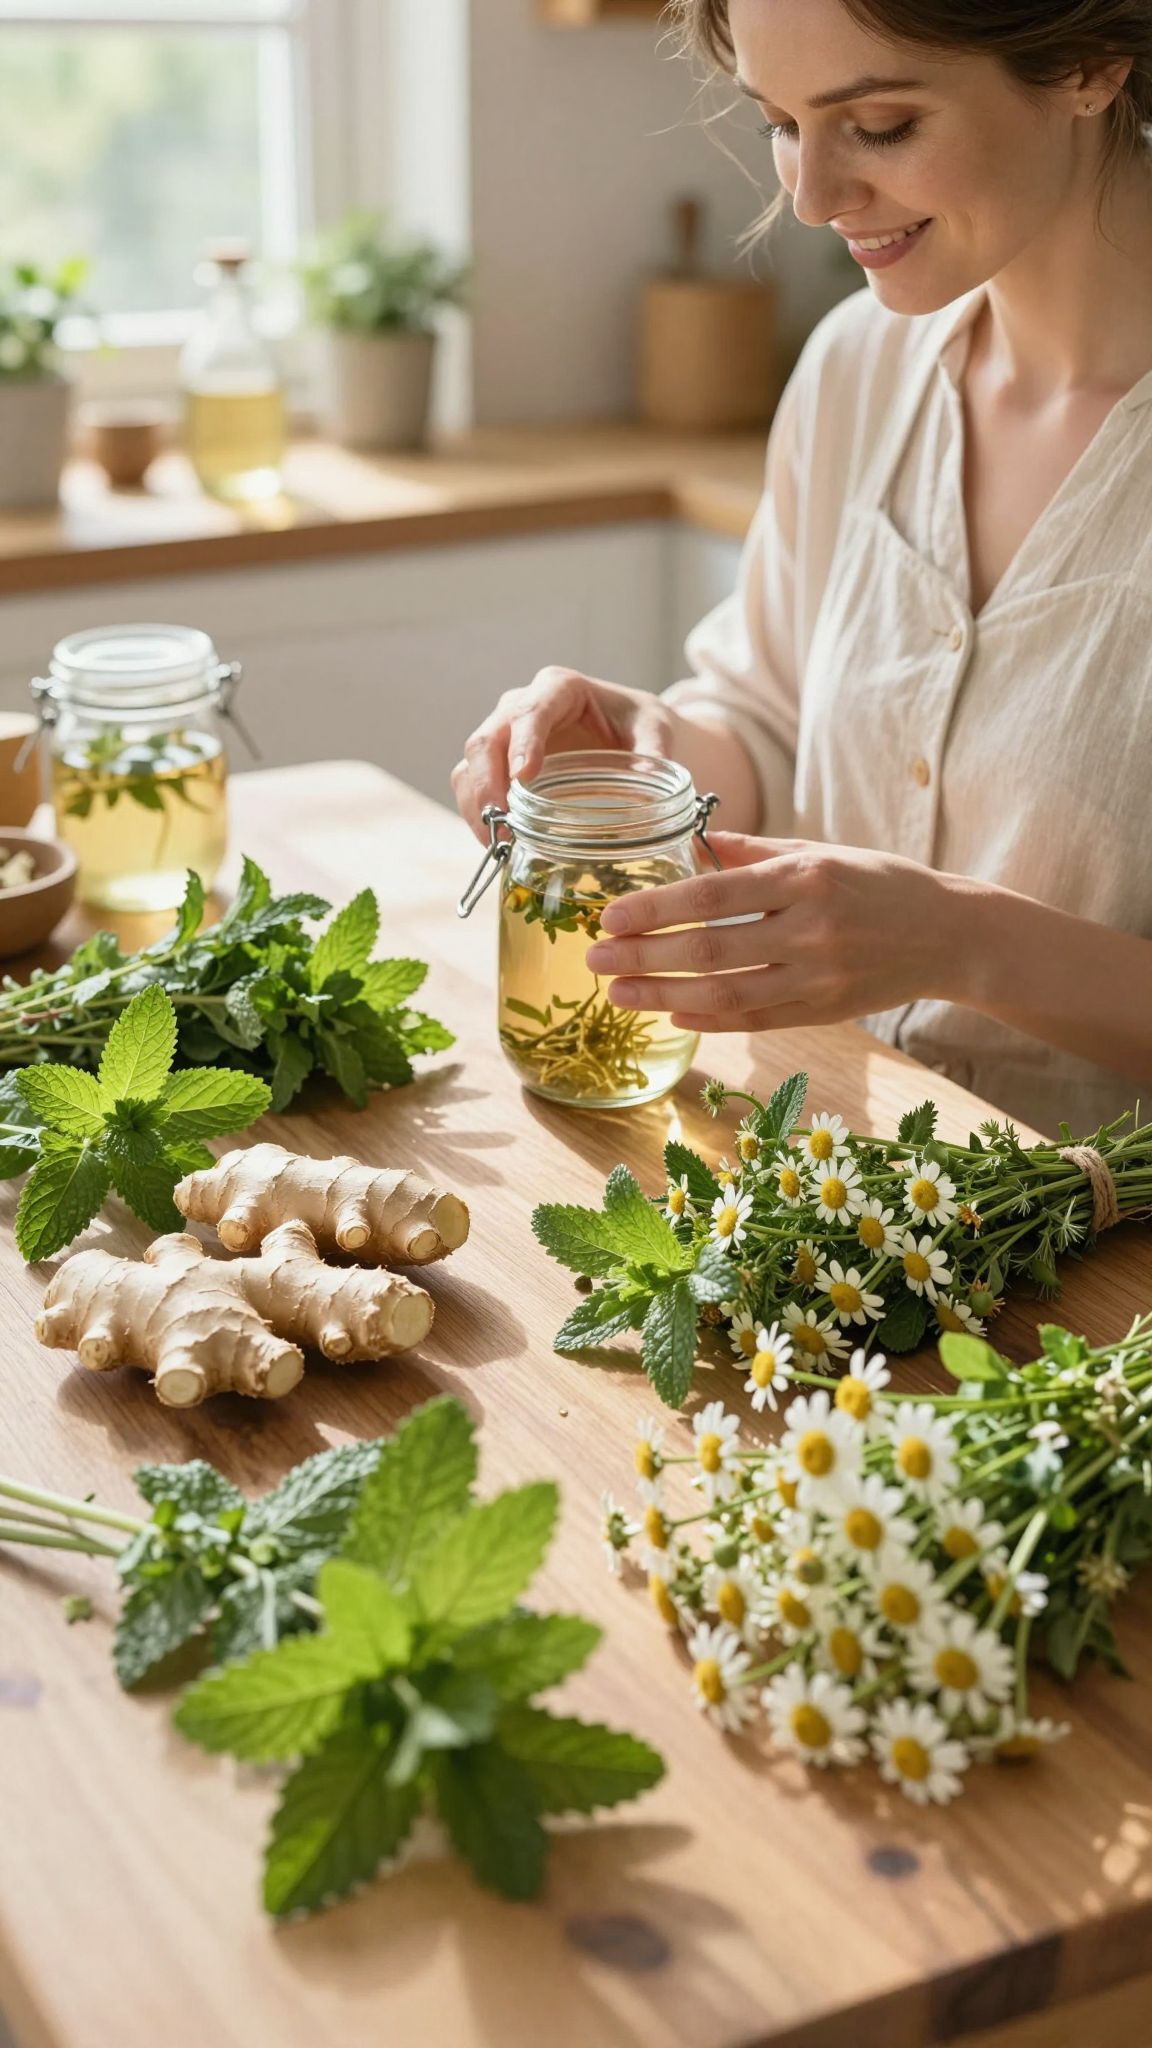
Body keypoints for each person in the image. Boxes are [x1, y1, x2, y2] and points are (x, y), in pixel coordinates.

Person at [452, 0, 1152, 1137]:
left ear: (1088, 60)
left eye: (877, 124)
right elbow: (775, 725)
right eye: (779, 121)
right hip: (825, 1187)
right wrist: (650, 748)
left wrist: (963, 940)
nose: (810, 196)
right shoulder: (856, 368)